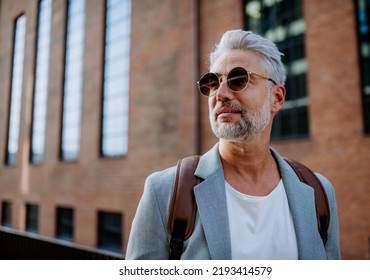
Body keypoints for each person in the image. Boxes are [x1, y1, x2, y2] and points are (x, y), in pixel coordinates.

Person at [126, 29, 341, 260]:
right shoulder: (163, 192)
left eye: (238, 79)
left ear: (277, 98)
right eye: (212, 82)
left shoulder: (319, 193)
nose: (221, 93)